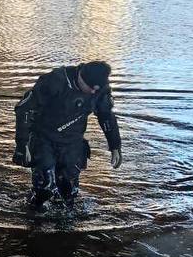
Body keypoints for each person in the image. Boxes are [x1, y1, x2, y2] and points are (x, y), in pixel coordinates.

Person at [13, 60, 122, 208]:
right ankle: (33, 217)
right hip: (44, 138)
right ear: (80, 77)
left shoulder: (100, 90)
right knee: (44, 187)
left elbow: (106, 116)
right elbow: (24, 109)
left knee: (69, 191)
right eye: (90, 88)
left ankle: (66, 222)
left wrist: (115, 146)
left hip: (73, 141)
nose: (92, 93)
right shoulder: (54, 81)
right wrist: (22, 144)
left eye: (97, 90)